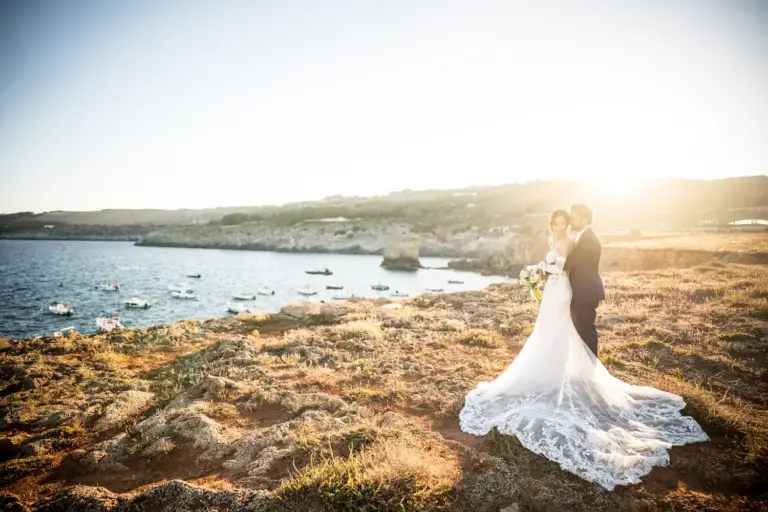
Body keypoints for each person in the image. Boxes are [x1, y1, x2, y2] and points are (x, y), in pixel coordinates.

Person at [459, 208, 708, 490]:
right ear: (552, 223)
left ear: (576, 221)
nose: (562, 225)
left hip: (565, 289)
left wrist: (538, 271)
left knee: (566, 332)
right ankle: (562, 372)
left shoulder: (574, 240)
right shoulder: (569, 237)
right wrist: (541, 274)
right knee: (555, 333)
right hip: (559, 289)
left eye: (565, 221)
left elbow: (562, 264)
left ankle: (583, 372)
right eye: (558, 222)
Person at [563, 203, 605, 356]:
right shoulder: (581, 238)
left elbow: (569, 262)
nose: (571, 220)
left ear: (585, 218)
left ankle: (591, 370)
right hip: (580, 292)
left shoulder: (589, 241)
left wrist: (544, 269)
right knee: (579, 331)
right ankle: (584, 369)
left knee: (586, 332)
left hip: (585, 293)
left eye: (573, 217)